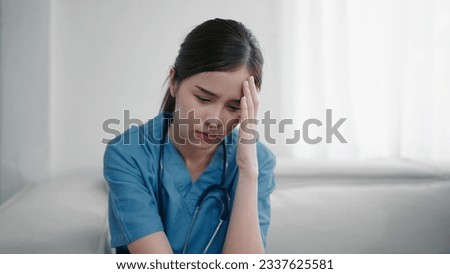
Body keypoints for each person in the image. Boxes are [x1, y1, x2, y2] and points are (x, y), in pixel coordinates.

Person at [103, 18, 276, 254]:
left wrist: (247, 170)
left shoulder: (258, 162)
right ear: (174, 82)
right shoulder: (128, 154)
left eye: (234, 107)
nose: (214, 119)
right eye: (204, 99)